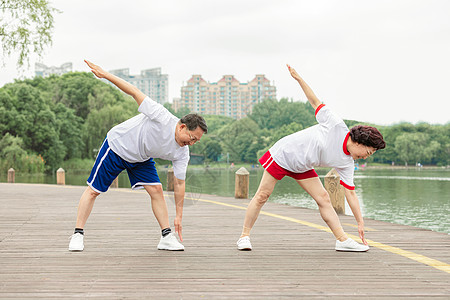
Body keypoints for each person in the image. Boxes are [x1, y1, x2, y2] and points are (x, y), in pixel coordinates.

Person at [236, 64, 386, 252]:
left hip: (303, 165)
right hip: (284, 155)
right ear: (359, 142)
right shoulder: (336, 125)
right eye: (368, 152)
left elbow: (351, 194)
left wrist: (360, 222)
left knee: (324, 198)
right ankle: (244, 237)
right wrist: (298, 78)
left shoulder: (347, 163)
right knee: (262, 196)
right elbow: (315, 101)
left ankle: (342, 240)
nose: (366, 157)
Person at [69, 60, 207, 252]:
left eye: (195, 142)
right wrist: (105, 74)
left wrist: (179, 216)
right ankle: (77, 234)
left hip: (141, 157)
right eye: (191, 138)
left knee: (157, 191)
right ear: (182, 126)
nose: (191, 144)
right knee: (93, 190)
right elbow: (134, 91)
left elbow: (180, 183)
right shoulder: (161, 116)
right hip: (118, 146)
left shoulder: (182, 152)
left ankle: (167, 237)